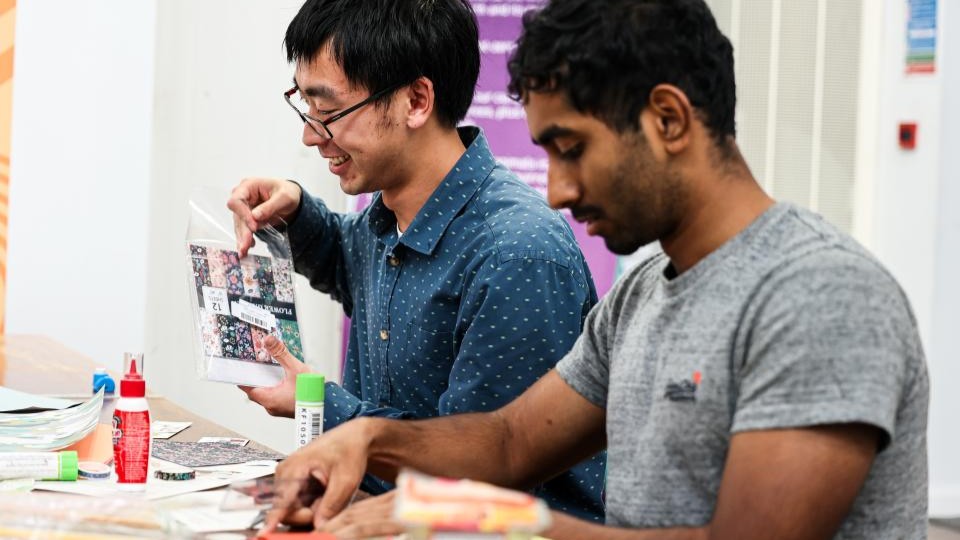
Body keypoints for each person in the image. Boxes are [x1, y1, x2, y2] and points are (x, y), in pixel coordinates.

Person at [264, 0, 930, 538]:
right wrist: (367, 439)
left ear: (668, 119)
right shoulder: (642, 293)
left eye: (571, 149)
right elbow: (507, 441)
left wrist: (493, 517)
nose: (555, 191)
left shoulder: (820, 294)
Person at [226, 0, 606, 522]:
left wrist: (320, 403)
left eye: (328, 111)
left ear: (416, 100)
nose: (311, 136)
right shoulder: (390, 212)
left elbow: (476, 467)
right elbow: (347, 260)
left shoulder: (517, 254)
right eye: (305, 106)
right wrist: (296, 211)